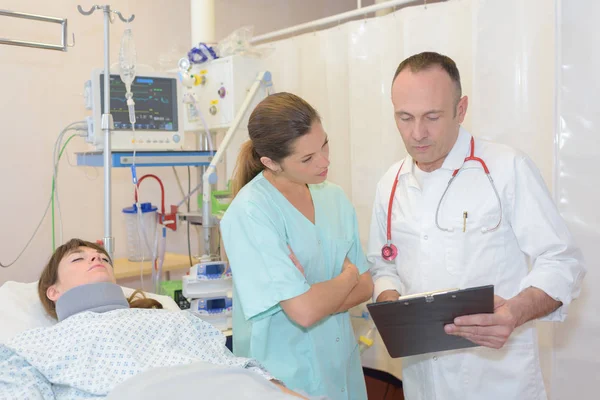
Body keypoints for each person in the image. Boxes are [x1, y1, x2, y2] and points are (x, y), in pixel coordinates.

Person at [367, 52, 585, 400]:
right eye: (404, 117)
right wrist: (391, 302)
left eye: (432, 117)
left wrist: (514, 312)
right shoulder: (390, 184)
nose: (417, 133)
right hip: (424, 381)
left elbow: (562, 261)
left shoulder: (505, 167)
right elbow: (383, 263)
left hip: (497, 380)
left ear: (461, 109)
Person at [0, 238, 307, 399]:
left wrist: (280, 391)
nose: (95, 258)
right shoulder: (33, 346)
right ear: (53, 291)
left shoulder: (175, 320)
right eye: (79, 258)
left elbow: (235, 367)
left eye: (102, 258)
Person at [220, 92, 373, 400]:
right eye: (307, 158)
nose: (325, 161)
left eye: (324, 144)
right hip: (283, 381)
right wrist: (346, 278)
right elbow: (304, 312)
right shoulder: (251, 212)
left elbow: (367, 286)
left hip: (341, 372)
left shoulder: (334, 198)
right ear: (270, 162)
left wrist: (317, 297)